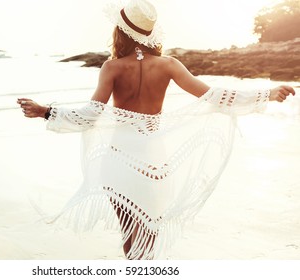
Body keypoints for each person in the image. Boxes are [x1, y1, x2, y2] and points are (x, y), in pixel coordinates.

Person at [17, 0, 295, 260]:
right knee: (150, 227)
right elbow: (213, 95)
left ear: (121, 33)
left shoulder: (111, 67)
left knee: (128, 229)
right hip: (152, 157)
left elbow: (91, 115)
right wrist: (266, 94)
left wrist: (46, 111)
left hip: (118, 158)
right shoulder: (169, 65)